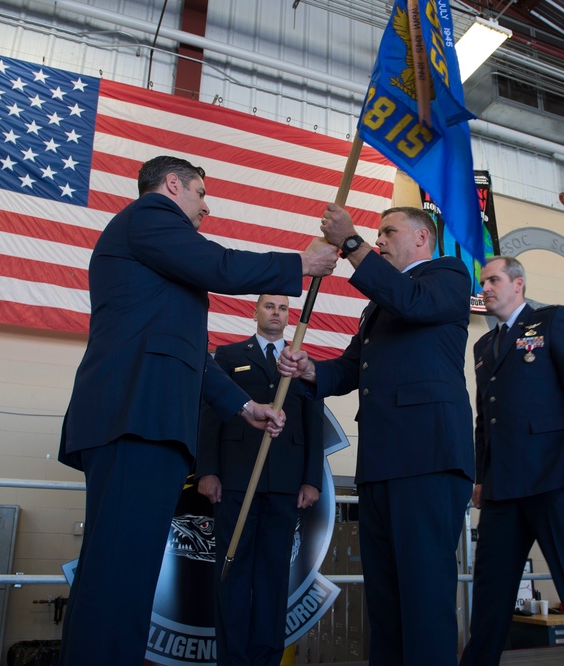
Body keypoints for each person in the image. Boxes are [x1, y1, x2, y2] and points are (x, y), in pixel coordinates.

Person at [56, 156, 338, 666]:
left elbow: (186, 351)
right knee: (117, 576)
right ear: (171, 185)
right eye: (201, 193)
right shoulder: (148, 218)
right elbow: (220, 265)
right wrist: (298, 265)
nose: (206, 206)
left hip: (149, 421)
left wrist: (244, 406)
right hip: (134, 419)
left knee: (128, 574)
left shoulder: (158, 259)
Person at [278, 203, 474, 666]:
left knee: (424, 596)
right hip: (384, 462)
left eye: (388, 232)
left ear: (422, 238)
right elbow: (351, 367)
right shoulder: (380, 303)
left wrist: (350, 243)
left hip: (428, 458)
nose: (379, 240)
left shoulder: (447, 277)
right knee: (385, 601)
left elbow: (412, 302)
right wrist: (311, 371)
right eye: (375, 234)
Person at [459, 256, 564, 666]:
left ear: (518, 284)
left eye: (494, 280)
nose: (486, 288)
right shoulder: (484, 345)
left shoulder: (552, 321)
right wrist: (482, 477)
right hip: (503, 486)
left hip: (556, 478)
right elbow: (486, 417)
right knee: (491, 589)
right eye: (483, 282)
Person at [196, 294, 324, 666]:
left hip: (284, 485)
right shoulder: (230, 356)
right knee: (232, 576)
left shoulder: (301, 362)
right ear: (255, 312)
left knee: (272, 580)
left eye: (283, 308)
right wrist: (208, 470)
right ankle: (232, 660)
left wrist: (311, 480)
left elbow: (312, 424)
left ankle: (266, 659)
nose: (276, 313)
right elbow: (211, 414)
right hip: (235, 481)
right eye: (269, 306)